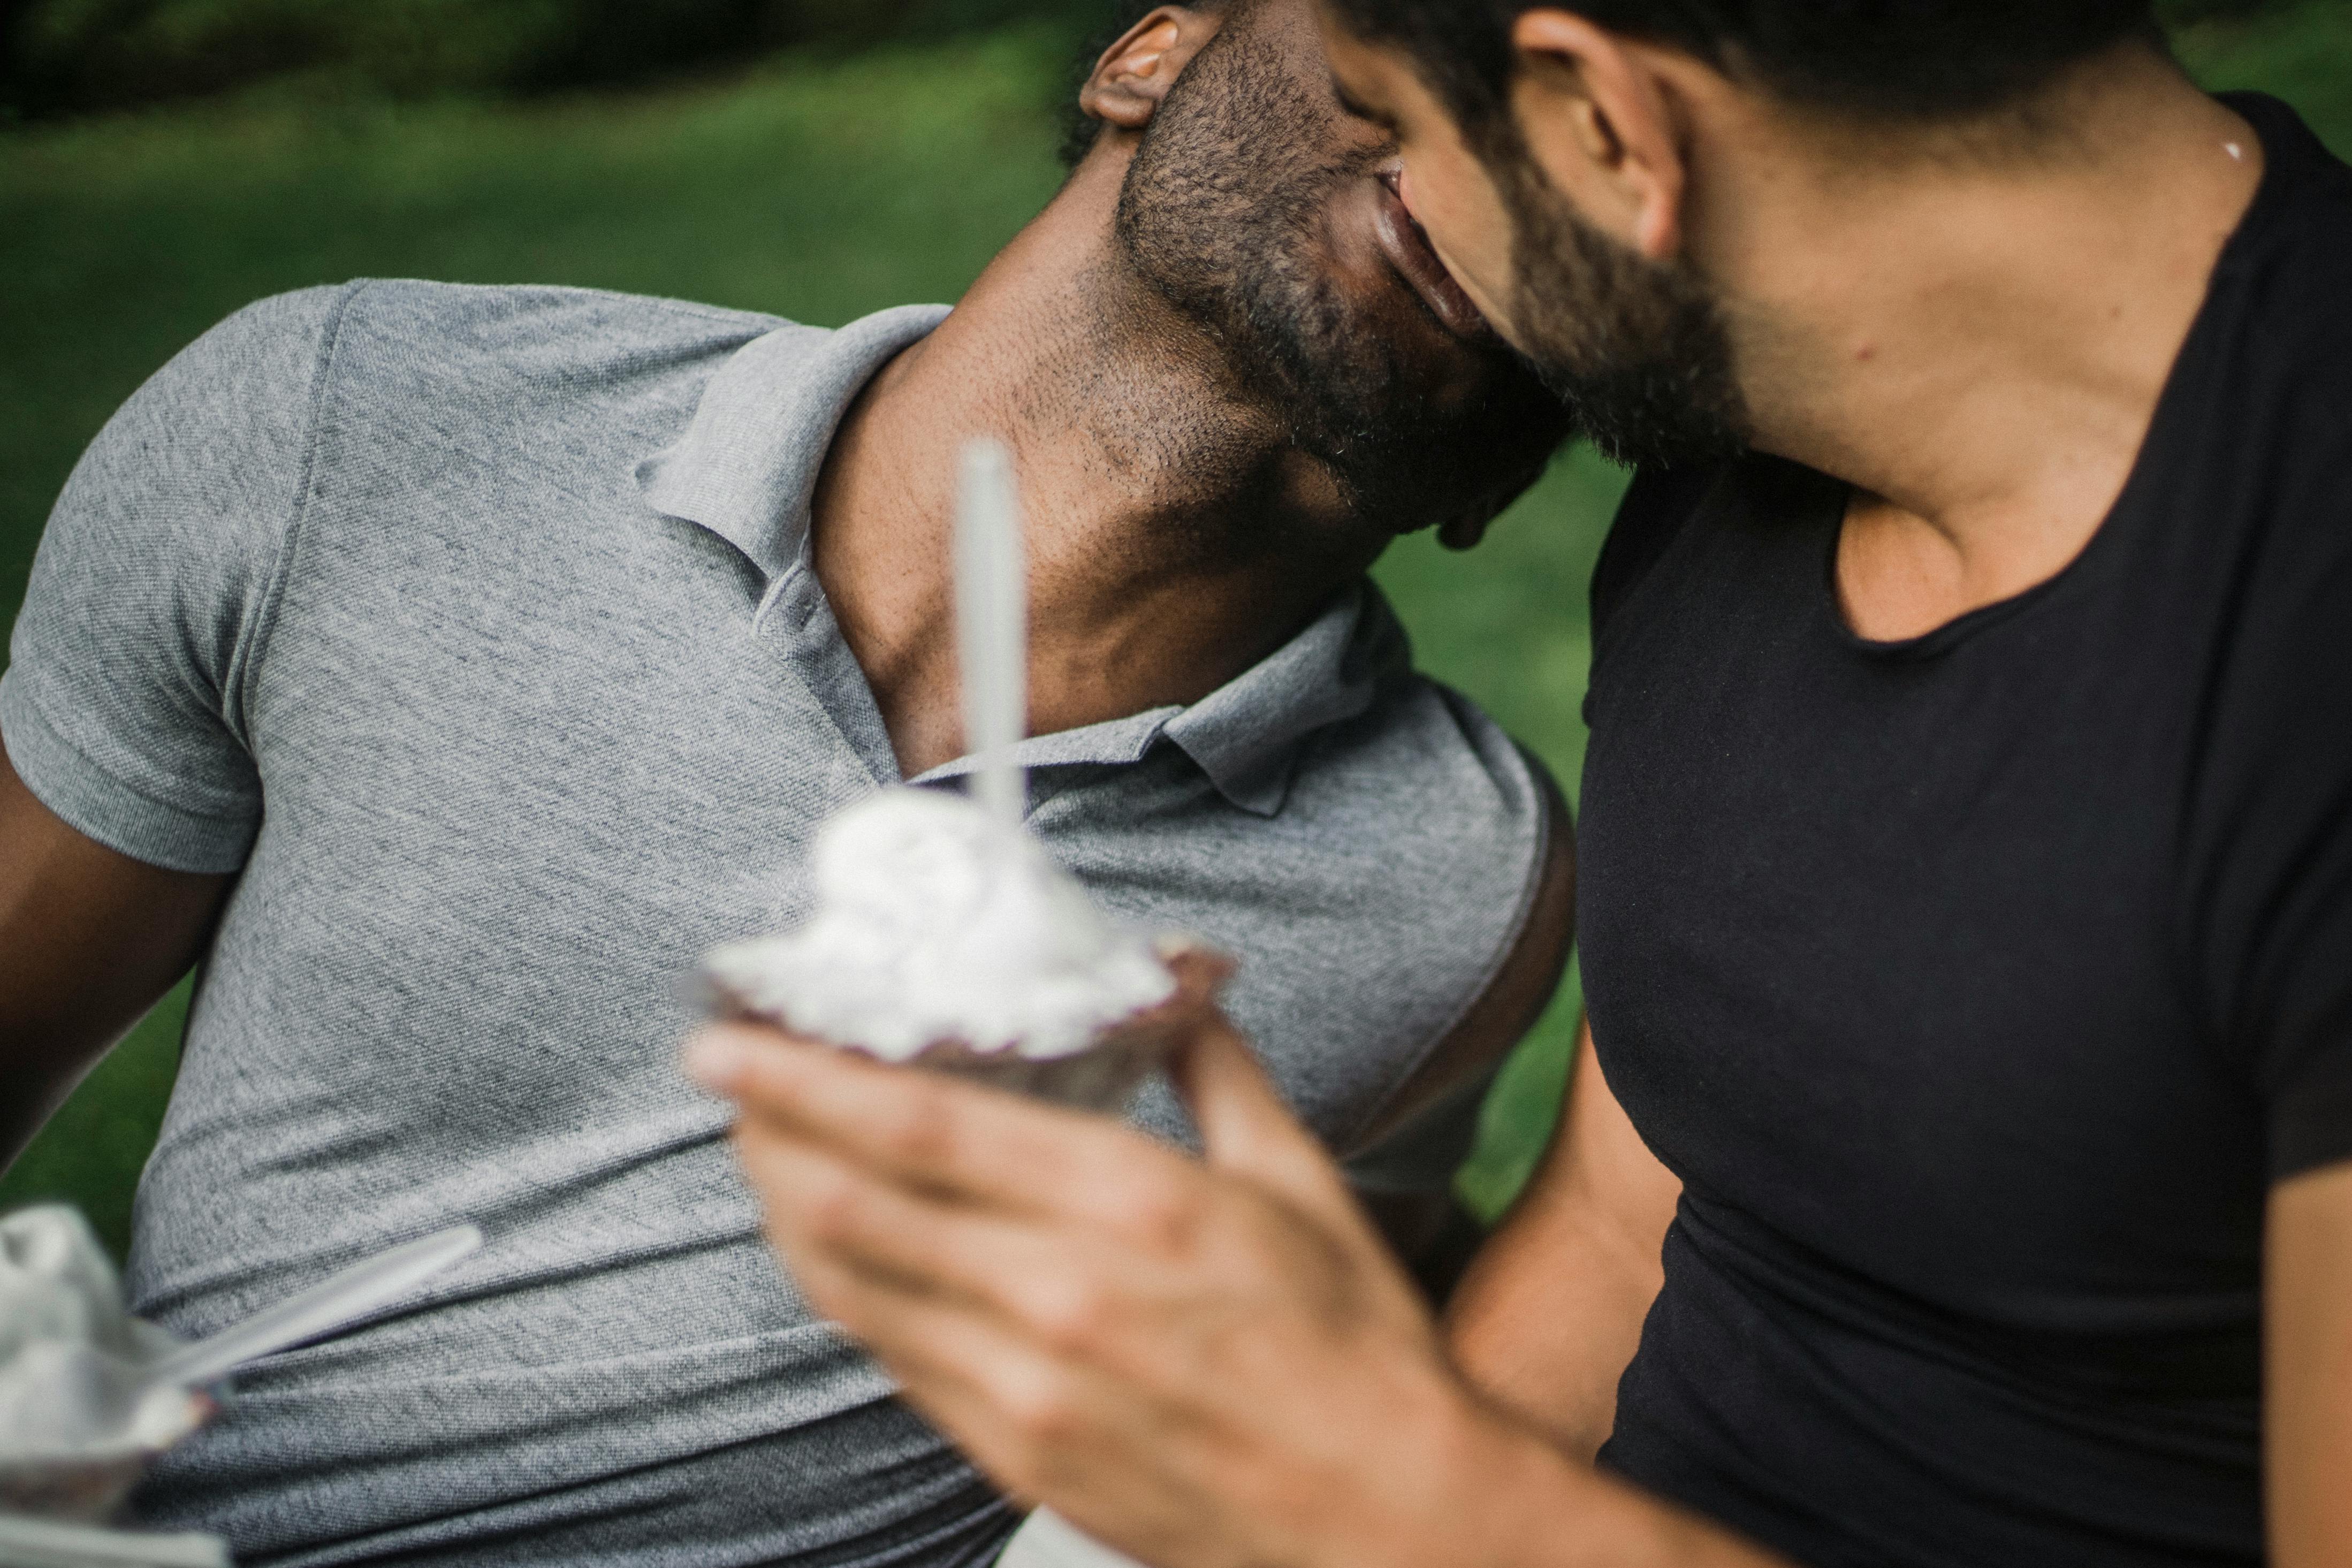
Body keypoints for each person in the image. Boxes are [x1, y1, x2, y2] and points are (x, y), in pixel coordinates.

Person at [692, 2, 2352, 1565]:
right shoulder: (1756, 468)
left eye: (1397, 122)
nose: (1404, 206)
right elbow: (1625, 1236)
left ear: (1604, 127)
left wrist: (1392, 1481)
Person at [0, 0, 1579, 1560]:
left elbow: (1333, 1380)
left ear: (1525, 453)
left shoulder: (1465, 880)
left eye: (1607, 179)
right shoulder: (349, 432)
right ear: (1145, 54)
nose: (1518, 146)